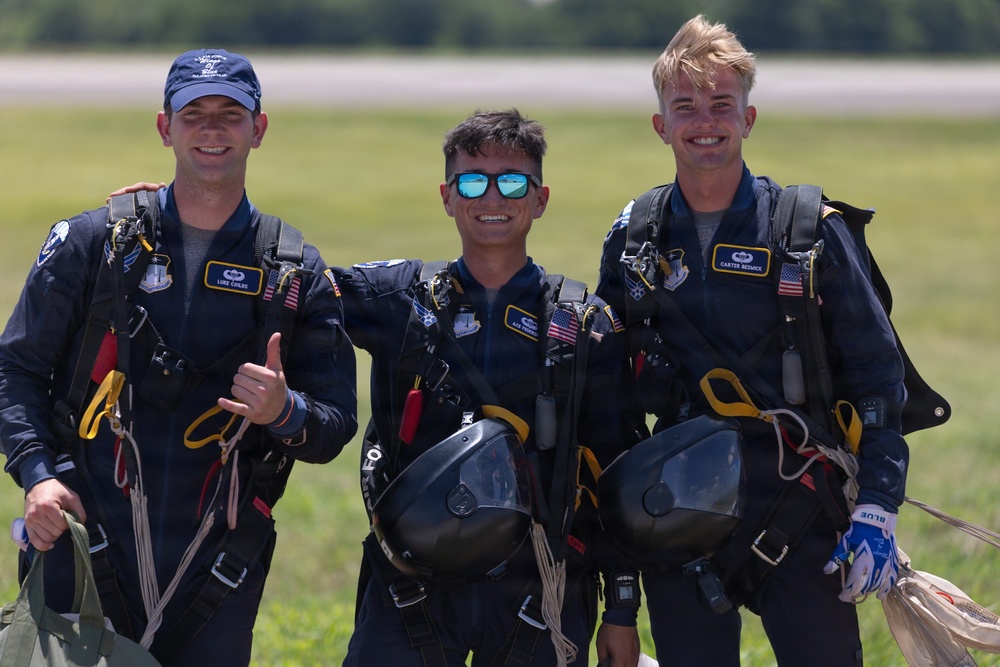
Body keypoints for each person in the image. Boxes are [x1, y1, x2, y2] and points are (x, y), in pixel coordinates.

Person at [0, 48, 358, 667]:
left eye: (230, 114)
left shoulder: (292, 273)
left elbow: (333, 425)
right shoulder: (95, 244)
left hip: (216, 570)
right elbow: (15, 370)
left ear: (258, 129)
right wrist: (37, 476)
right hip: (82, 542)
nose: (212, 129)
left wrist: (284, 411)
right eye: (194, 114)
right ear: (165, 128)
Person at [596, 16, 907, 666]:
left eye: (721, 104)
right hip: (677, 504)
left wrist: (878, 506)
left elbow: (877, 374)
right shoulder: (634, 240)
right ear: (660, 125)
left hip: (801, 500)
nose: (704, 121)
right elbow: (607, 398)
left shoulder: (806, 232)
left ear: (748, 117)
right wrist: (620, 582)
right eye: (685, 106)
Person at [335, 109, 644, 667]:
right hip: (412, 585)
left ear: (540, 198)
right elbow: (288, 287)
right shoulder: (400, 299)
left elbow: (615, 470)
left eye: (514, 182)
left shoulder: (584, 325)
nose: (493, 197)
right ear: (447, 196)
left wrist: (622, 610)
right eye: (473, 182)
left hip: (541, 588)